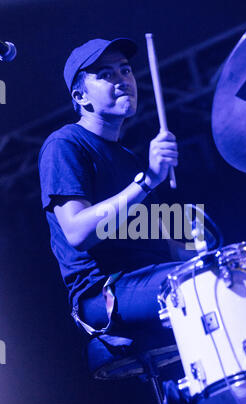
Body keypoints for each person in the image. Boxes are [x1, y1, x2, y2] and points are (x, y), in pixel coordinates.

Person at [38, 37, 190, 370]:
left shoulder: (130, 159)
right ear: (80, 97)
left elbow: (164, 241)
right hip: (105, 289)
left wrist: (212, 255)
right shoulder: (64, 143)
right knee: (194, 287)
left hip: (150, 275)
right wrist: (147, 181)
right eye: (106, 74)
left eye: (125, 70)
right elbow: (78, 231)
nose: (123, 79)